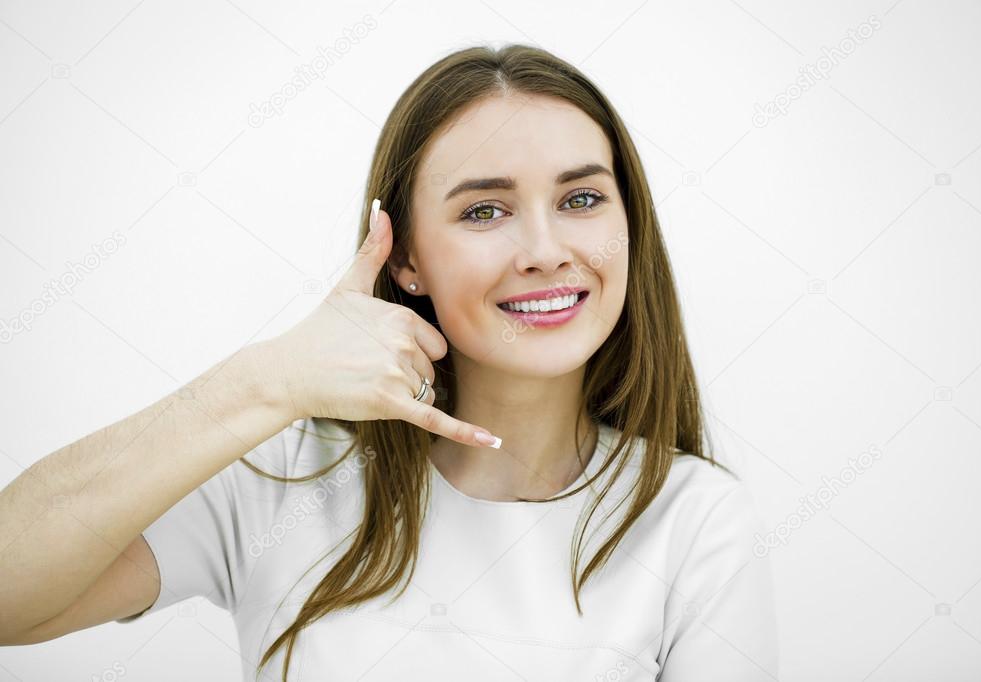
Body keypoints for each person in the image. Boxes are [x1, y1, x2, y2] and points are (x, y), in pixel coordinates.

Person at [0, 44, 779, 680]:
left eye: (580, 199)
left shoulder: (693, 519)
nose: (546, 252)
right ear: (405, 258)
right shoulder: (285, 477)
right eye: (484, 210)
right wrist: (263, 380)